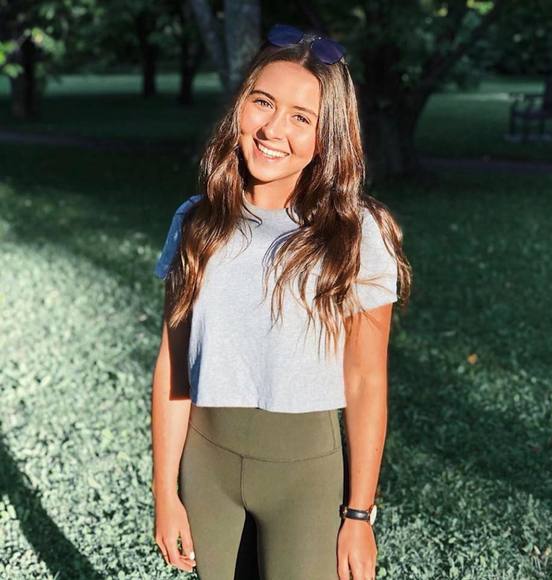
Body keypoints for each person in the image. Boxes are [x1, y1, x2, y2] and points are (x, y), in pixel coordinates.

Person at [150, 23, 411, 580]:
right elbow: (173, 361)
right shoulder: (197, 222)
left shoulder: (355, 233)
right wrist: (165, 491)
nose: (273, 130)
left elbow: (367, 380)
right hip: (207, 466)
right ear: (240, 105)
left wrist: (359, 514)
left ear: (327, 136)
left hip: (304, 478)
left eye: (302, 118)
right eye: (263, 102)